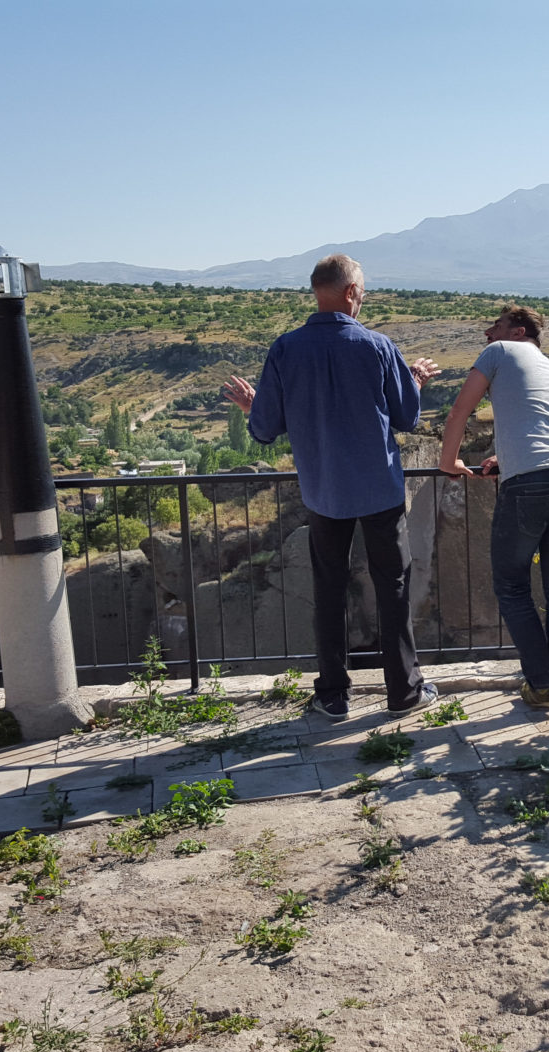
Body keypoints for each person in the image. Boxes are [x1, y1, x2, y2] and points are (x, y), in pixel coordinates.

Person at [224, 254, 440, 720]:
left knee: (328, 589)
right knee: (393, 587)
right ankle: (404, 694)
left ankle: (332, 696)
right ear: (349, 292)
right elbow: (406, 417)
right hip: (379, 491)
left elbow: (265, 429)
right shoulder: (378, 347)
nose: (363, 298)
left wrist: (251, 407)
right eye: (361, 290)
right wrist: (415, 380)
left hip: (323, 492)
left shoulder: (285, 349)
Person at [437, 305, 549, 707]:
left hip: (530, 485)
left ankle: (544, 682)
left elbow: (459, 411)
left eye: (495, 326)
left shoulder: (499, 352)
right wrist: (508, 458)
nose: (487, 332)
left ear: (518, 331)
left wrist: (449, 463)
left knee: (512, 585)